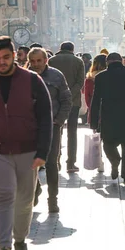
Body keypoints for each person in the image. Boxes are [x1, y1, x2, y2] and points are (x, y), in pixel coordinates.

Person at [0, 37, 52, 250]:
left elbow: (45, 117)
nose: (1, 62)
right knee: (2, 199)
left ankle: (19, 240)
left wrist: (43, 152)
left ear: (15, 55)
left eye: (6, 57)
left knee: (25, 200)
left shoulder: (32, 80)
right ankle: (4, 246)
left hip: (27, 150)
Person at [27, 47, 72, 213]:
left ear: (46, 60)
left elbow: (66, 100)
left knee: (52, 163)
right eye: (33, 61)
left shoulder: (56, 76)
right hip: (31, 128)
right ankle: (35, 189)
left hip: (52, 127)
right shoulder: (25, 77)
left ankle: (53, 199)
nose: (36, 64)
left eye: (39, 60)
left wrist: (59, 121)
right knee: (30, 163)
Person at [89, 53, 125, 182]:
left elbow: (96, 100)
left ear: (107, 63)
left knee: (108, 144)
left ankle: (114, 161)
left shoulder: (101, 77)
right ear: (122, 61)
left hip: (109, 118)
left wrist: (93, 122)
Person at [48, 41, 85, 173]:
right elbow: (81, 81)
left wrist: (60, 95)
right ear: (72, 49)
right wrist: (70, 93)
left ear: (60, 49)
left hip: (56, 102)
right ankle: (71, 163)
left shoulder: (51, 60)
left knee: (57, 131)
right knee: (72, 132)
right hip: (73, 102)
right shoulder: (78, 61)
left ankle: (56, 160)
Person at [84, 54, 108, 170]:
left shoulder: (89, 78)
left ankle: (100, 162)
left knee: (97, 139)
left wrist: (92, 109)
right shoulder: (109, 76)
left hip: (95, 112)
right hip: (108, 111)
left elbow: (88, 98)